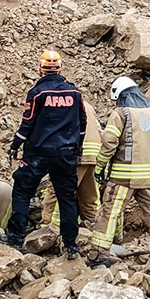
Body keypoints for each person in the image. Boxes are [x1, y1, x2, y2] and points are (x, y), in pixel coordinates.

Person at [0, 50, 86, 260]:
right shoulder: (75, 93)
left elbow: (27, 122)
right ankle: (71, 244)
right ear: (60, 67)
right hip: (66, 154)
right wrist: (78, 146)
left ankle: (16, 238)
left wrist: (15, 144)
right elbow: (83, 123)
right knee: (67, 198)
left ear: (40, 68)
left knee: (22, 192)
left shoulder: (37, 93)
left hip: (37, 153)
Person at [88, 76, 150, 267]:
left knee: (110, 213)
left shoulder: (121, 113)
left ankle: (99, 254)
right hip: (149, 177)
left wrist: (99, 166)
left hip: (123, 176)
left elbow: (109, 142)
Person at [41, 97, 102, 228]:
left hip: (74, 154)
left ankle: (48, 228)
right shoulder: (88, 105)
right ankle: (93, 226)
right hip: (93, 154)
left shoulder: (61, 104)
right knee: (90, 196)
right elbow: (99, 130)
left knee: (58, 192)